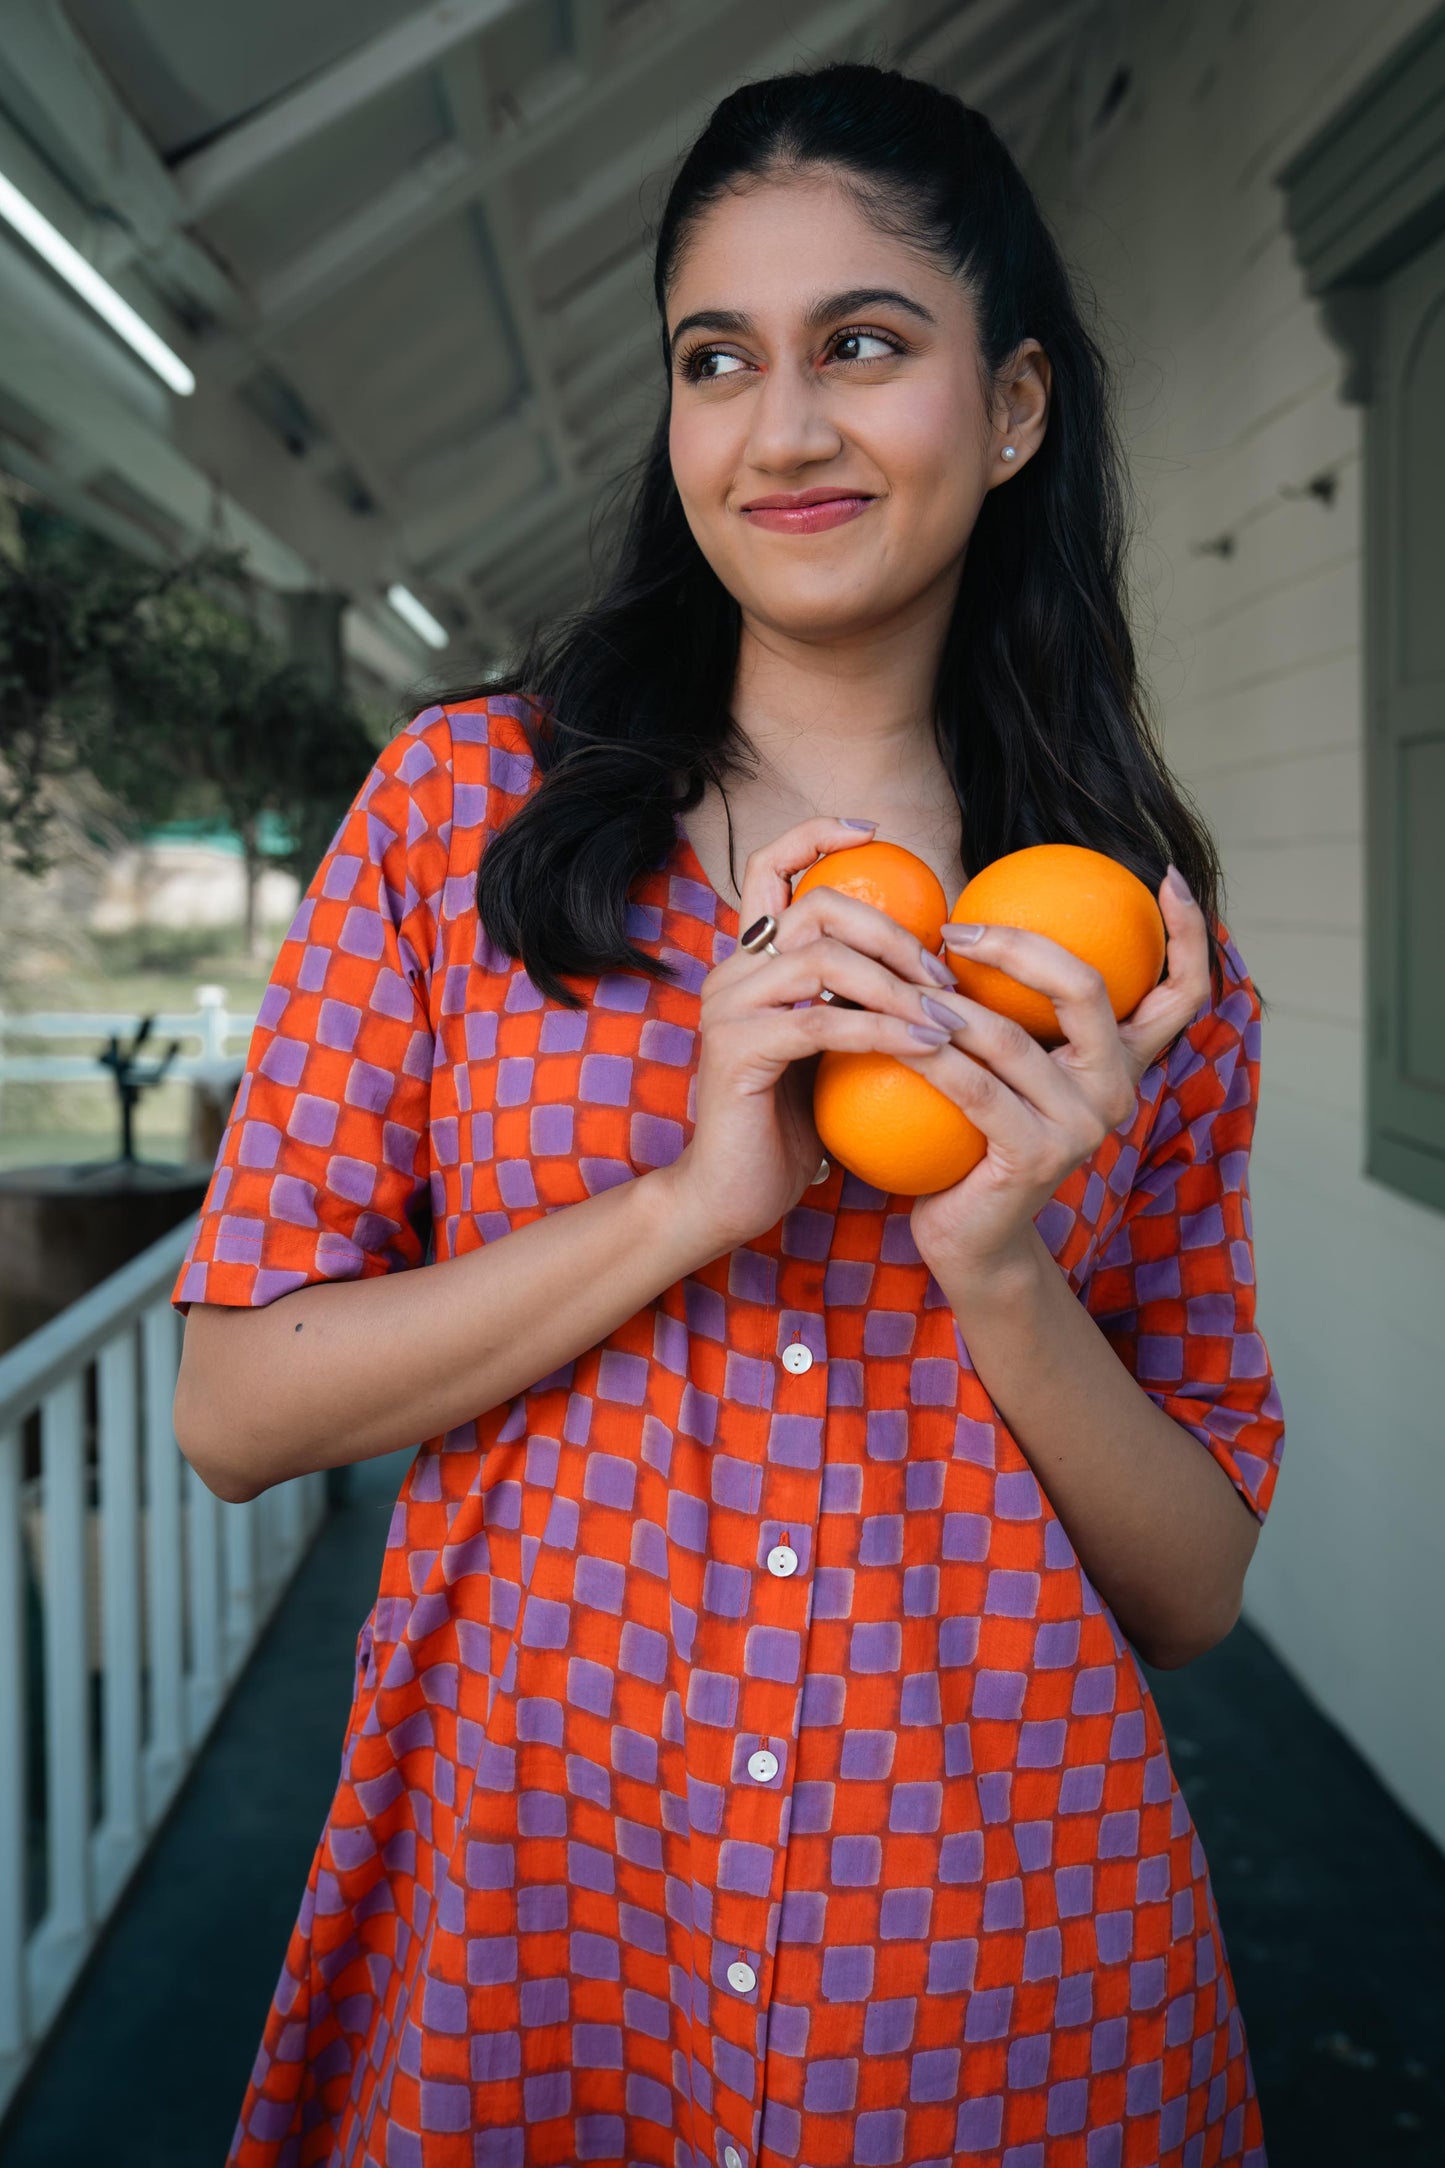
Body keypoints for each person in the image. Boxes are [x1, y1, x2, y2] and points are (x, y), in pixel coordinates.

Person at [173, 59, 1282, 2168]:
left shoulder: (1127, 947)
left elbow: (1198, 1581)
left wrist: (1001, 1266)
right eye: (718, 360)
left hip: (989, 1969)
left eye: (862, 344)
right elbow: (233, 1404)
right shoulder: (463, 817)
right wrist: (694, 1197)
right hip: (540, 1927)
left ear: (1017, 407)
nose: (782, 428)